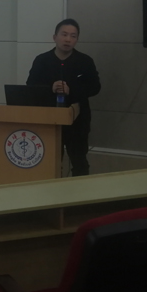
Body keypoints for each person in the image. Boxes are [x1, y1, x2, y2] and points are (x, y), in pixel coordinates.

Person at [26, 18, 100, 176]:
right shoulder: (42, 60)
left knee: (79, 162)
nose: (68, 39)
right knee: (49, 162)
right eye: (64, 34)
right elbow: (30, 86)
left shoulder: (85, 61)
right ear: (55, 37)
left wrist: (71, 90)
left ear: (77, 39)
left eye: (73, 36)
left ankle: (80, 190)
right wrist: (50, 88)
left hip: (77, 120)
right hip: (49, 119)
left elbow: (95, 87)